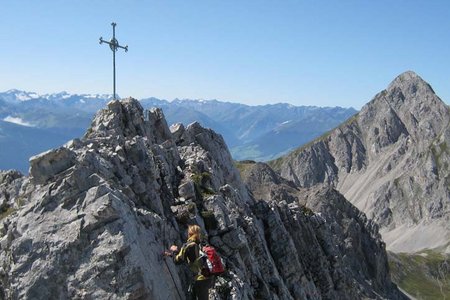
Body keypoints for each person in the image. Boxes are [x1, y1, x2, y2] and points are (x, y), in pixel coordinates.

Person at [167, 224, 213, 300]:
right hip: (208, 278)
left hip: (199, 279)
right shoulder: (201, 244)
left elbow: (178, 261)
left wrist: (174, 251)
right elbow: (193, 258)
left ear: (189, 234)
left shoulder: (188, 245)